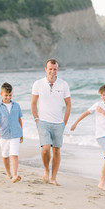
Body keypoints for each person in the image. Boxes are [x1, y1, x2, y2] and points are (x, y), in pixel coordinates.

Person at [70, 84, 105, 192]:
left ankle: (101, 183)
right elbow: (86, 113)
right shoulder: (98, 104)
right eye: (101, 95)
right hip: (101, 135)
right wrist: (75, 123)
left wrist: (103, 112)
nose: (103, 97)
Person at [31, 58, 71, 186]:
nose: (52, 71)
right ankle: (46, 171)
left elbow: (68, 104)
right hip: (43, 121)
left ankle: (53, 178)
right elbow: (33, 103)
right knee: (46, 148)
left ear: (57, 70)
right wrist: (36, 119)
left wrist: (64, 121)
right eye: (50, 69)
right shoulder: (38, 84)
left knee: (57, 150)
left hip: (59, 123)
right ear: (46, 69)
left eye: (55, 69)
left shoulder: (63, 84)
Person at [0, 82, 23, 183]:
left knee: (14, 154)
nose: (8, 97)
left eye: (10, 95)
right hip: (3, 134)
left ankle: (14, 175)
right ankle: (8, 173)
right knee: (5, 155)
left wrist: (21, 133)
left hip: (15, 133)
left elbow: (19, 119)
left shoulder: (16, 105)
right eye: (6, 95)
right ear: (1, 94)